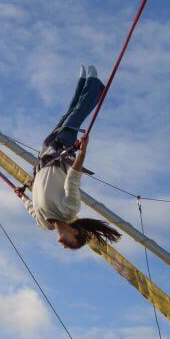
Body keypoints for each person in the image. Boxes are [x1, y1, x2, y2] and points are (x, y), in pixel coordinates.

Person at [15, 65, 121, 250]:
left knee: (68, 113)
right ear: (75, 232)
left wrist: (22, 197)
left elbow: (32, 209)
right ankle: (94, 84)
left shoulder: (43, 224)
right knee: (77, 114)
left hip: (44, 155)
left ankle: (82, 82)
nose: (63, 245)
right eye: (70, 244)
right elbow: (73, 179)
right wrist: (83, 151)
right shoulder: (70, 210)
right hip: (61, 151)